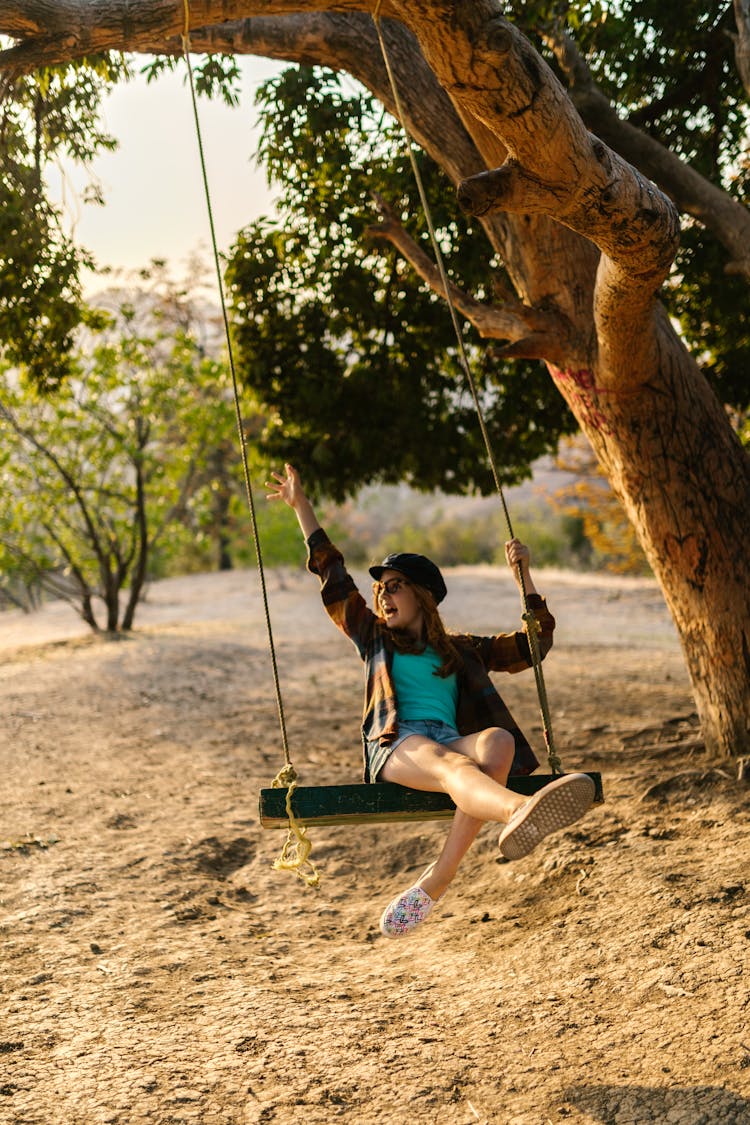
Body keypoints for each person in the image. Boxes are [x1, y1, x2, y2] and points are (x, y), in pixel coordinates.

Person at [266, 464, 595, 938]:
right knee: (455, 768)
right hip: (398, 741)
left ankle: (437, 879)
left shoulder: (460, 650)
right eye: (379, 588)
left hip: (445, 738)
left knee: (498, 743)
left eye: (394, 585)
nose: (382, 594)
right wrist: (303, 509)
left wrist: (525, 579)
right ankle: (517, 812)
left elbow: (533, 646)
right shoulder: (373, 638)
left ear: (423, 596)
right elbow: (335, 580)